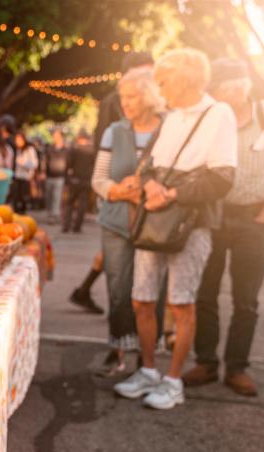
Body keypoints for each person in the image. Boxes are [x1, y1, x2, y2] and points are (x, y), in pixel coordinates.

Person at [113, 48, 237, 410]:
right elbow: (149, 163)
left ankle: (173, 381)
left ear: (183, 80)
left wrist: (173, 194)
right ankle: (149, 371)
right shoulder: (171, 116)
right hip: (157, 215)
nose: (159, 88)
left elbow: (222, 178)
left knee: (181, 304)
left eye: (164, 81)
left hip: (191, 222)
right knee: (142, 299)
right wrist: (152, 185)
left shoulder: (219, 114)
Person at [183, 58, 264, 397]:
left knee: (246, 298)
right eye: (224, 86)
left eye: (238, 84)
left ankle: (237, 367)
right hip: (213, 214)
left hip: (254, 216)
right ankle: (206, 361)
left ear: (247, 84)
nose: (232, 91)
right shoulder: (209, 116)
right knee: (205, 292)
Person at [89, 69, 165, 375]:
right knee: (118, 288)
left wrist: (146, 190)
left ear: (148, 97)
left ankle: (147, 356)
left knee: (150, 291)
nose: (126, 103)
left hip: (155, 223)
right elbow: (98, 179)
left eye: (132, 96)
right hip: (116, 221)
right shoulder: (114, 131)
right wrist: (118, 191)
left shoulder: (169, 131)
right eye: (123, 97)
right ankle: (118, 348)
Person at [95, 52, 156, 154]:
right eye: (144, 74)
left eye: (151, 73)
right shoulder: (111, 103)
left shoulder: (162, 101)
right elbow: (101, 146)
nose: (149, 78)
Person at [64, 131, 96, 234]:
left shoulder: (74, 150)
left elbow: (68, 164)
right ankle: (77, 226)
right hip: (86, 180)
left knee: (70, 203)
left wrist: (68, 178)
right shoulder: (91, 151)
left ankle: (66, 225)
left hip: (75, 180)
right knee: (82, 204)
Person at [43, 129, 69, 226]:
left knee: (57, 196)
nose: (55, 138)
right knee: (49, 196)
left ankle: (54, 215)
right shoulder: (49, 148)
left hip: (60, 176)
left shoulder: (66, 150)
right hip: (50, 175)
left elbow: (69, 163)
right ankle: (50, 213)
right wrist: (43, 172)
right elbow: (45, 161)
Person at [12, 133, 39, 214]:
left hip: (25, 177)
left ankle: (22, 213)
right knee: (16, 197)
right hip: (16, 176)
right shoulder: (16, 150)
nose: (17, 142)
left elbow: (35, 164)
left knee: (23, 198)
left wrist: (23, 163)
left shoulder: (29, 149)